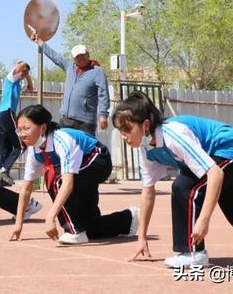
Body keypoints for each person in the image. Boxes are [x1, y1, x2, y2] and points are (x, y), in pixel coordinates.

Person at [112, 91, 233, 267]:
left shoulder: (172, 135)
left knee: (184, 186)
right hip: (216, 156)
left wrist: (203, 220)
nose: (123, 136)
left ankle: (194, 253)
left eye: (127, 129)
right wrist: (142, 237)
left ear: (145, 125)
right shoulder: (146, 151)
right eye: (120, 131)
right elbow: (148, 192)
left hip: (228, 149)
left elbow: (215, 173)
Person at [9, 104, 138, 245]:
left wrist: (50, 216)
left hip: (98, 160)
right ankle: (129, 219)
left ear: (43, 128)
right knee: (92, 229)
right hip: (81, 171)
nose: (22, 134)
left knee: (56, 180)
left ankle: (74, 231)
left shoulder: (62, 140)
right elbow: (26, 188)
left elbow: (68, 183)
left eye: (26, 128)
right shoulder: (34, 151)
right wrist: (18, 224)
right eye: (19, 130)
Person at [31, 33, 109, 136]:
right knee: (65, 150)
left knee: (85, 151)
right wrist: (40, 42)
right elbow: (55, 56)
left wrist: (103, 115)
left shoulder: (97, 71)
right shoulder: (69, 66)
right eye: (77, 56)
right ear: (74, 59)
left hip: (85, 122)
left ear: (88, 54)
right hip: (66, 119)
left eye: (83, 55)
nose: (81, 58)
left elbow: (103, 94)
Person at [0, 61, 33, 186]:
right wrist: (22, 65)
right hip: (7, 113)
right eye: (23, 71)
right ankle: (3, 170)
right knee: (20, 145)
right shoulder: (10, 78)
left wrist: (27, 75)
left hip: (0, 116)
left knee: (5, 146)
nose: (23, 73)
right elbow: (19, 67)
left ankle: (0, 176)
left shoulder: (18, 85)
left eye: (26, 72)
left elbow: (31, 88)